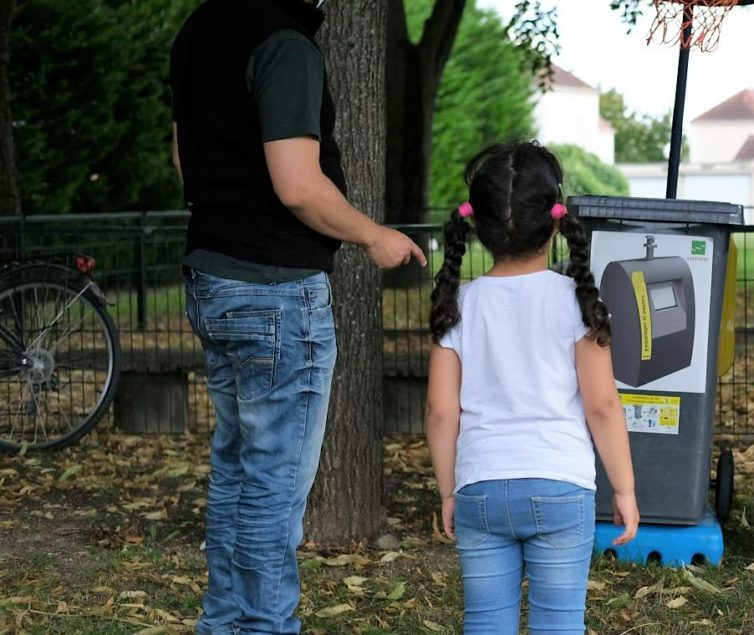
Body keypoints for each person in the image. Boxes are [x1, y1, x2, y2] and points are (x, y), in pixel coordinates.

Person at [169, 0, 425, 632]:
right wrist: (373, 235)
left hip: (211, 276)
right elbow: (298, 185)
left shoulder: (200, 27)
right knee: (273, 484)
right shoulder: (284, 45)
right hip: (275, 290)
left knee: (236, 471)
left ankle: (222, 624)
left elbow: (183, 160)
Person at [425, 142, 640, 634]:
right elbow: (603, 406)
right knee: (559, 624)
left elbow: (440, 411)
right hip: (560, 485)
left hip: (479, 486)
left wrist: (448, 491)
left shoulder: (459, 304)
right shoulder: (576, 302)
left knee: (485, 623)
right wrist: (625, 489)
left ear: (478, 227)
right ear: (555, 222)